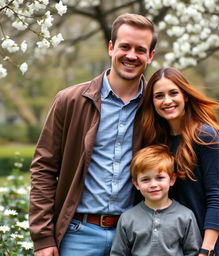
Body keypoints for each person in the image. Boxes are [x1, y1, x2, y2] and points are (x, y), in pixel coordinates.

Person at [29, 13, 156, 256]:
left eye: (140, 49)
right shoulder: (70, 100)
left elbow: (183, 157)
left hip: (135, 235)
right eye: (124, 47)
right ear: (111, 48)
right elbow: (44, 169)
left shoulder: (157, 105)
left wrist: (215, 199)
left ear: (150, 56)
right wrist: (43, 237)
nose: (131, 55)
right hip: (77, 234)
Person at [140, 67, 219, 256]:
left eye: (173, 93)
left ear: (185, 95)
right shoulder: (154, 140)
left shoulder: (205, 136)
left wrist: (205, 251)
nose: (167, 101)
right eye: (159, 96)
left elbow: (216, 198)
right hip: (162, 246)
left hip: (199, 245)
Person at [110, 144, 202, 256]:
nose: (153, 184)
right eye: (145, 179)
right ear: (136, 184)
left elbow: (192, 252)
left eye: (159, 178)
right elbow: (118, 253)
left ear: (172, 179)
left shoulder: (185, 216)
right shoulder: (127, 218)